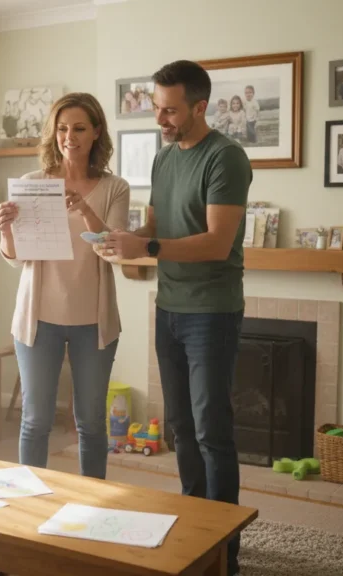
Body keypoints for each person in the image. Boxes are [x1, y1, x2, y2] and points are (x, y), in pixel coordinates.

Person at [100, 59, 252, 576]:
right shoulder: (164, 159)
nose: (160, 119)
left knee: (212, 430)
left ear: (200, 107)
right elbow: (157, 226)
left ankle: (225, 549)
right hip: (169, 307)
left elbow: (216, 242)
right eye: (156, 108)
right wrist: (120, 239)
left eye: (169, 110)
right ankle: (194, 531)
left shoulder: (226, 158)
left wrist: (149, 244)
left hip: (212, 311)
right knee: (181, 429)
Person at [0, 92, 130, 480]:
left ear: (96, 132)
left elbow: (113, 247)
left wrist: (84, 209)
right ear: (54, 133)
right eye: (63, 128)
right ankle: (29, 502)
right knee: (35, 421)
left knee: (90, 423)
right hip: (39, 319)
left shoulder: (114, 187)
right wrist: (5, 230)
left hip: (93, 321)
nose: (70, 136)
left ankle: (93, 505)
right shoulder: (31, 183)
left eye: (79, 128)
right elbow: (17, 257)